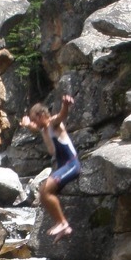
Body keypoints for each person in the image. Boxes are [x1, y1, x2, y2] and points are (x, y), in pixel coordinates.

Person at [21, 93, 80, 240]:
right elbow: (35, 128)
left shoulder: (53, 123)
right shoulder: (43, 129)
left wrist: (65, 105)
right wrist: (27, 125)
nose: (34, 122)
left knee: (44, 190)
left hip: (71, 164)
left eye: (34, 119)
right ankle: (60, 224)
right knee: (44, 195)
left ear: (41, 115)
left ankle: (63, 224)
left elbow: (61, 115)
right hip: (63, 166)